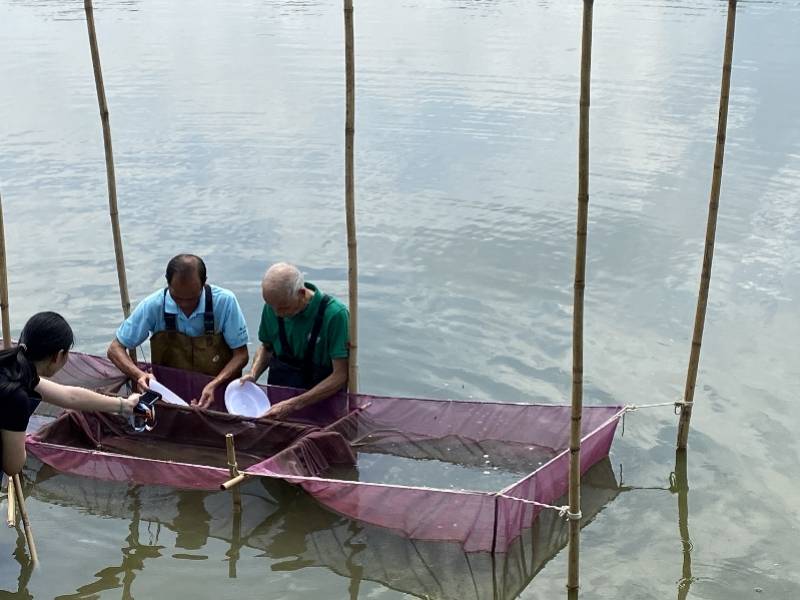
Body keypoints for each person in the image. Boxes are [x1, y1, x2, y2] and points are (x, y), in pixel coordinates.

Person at [1, 312, 141, 477]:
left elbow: (69, 396)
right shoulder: (17, 396)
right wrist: (18, 440)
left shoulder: (11, 367)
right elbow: (13, 466)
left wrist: (125, 405)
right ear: (59, 356)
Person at [107, 254, 249, 408]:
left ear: (204, 282)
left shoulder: (225, 302)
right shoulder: (154, 305)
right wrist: (139, 375)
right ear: (168, 284)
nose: (185, 305)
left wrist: (215, 384)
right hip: (168, 400)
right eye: (177, 298)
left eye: (192, 298)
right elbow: (115, 349)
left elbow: (241, 355)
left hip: (218, 397)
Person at [241, 263, 349, 419]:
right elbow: (266, 347)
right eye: (272, 307)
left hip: (322, 405)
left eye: (283, 307)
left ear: (302, 293)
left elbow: (340, 375)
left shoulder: (335, 315)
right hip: (278, 401)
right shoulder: (273, 307)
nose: (277, 313)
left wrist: (293, 404)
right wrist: (253, 373)